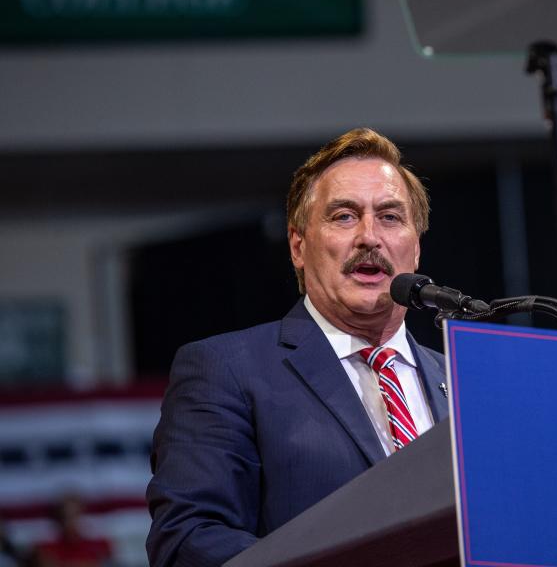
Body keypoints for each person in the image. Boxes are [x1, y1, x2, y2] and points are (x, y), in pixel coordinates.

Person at [145, 129, 449, 567]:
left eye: (390, 216)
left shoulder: (459, 381)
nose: (369, 236)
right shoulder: (226, 369)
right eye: (344, 216)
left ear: (415, 248)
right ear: (298, 246)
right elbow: (189, 540)